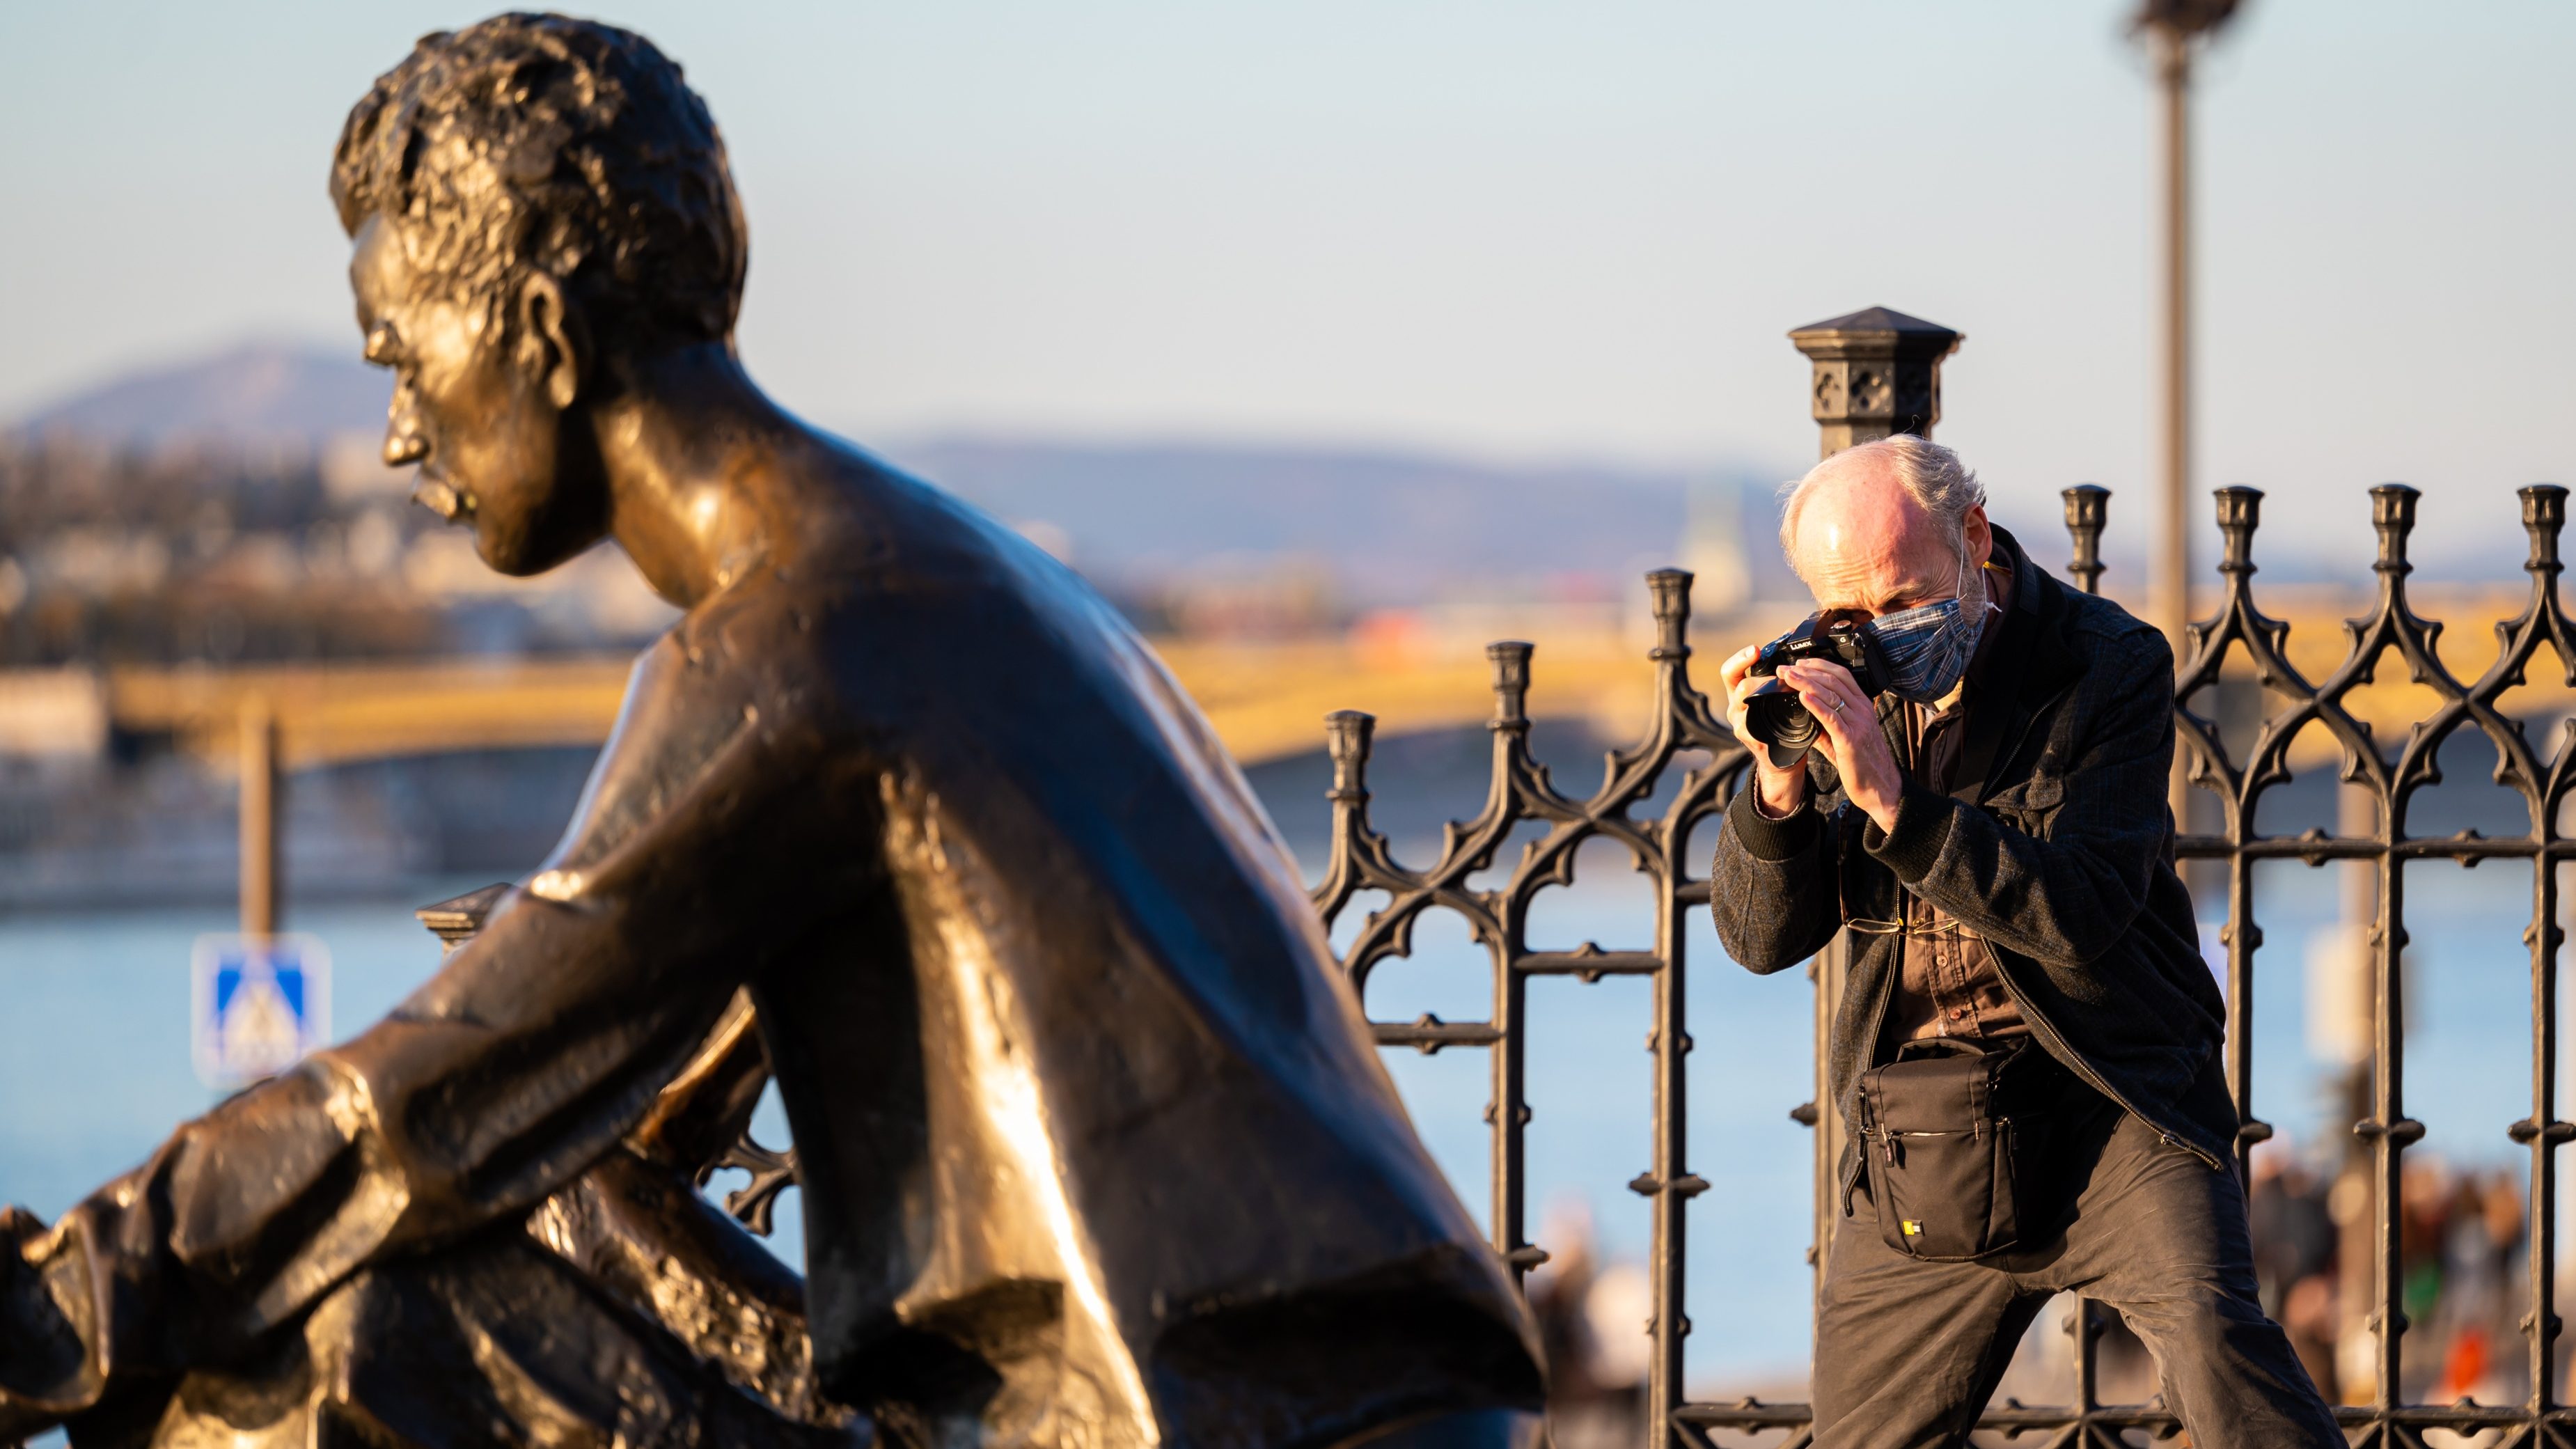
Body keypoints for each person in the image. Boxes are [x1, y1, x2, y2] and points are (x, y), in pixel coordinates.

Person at [0, 15, 1541, 1449]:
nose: (400, 434)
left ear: (540, 333)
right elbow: (591, 1112)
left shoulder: (801, 641)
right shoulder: (941, 578)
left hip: (1211, 1421)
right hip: (1286, 1399)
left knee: (317, 1356)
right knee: (399, 1277)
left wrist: (69, 1301)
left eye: (404, 361)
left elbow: (435, 1093)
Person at [1705, 434, 2341, 1448]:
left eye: (1903, 597)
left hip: (2111, 1100)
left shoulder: (2107, 666)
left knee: (2229, 1371)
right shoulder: (1836, 671)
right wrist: (1775, 790)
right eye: (1848, 611)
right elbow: (1756, 937)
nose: (1880, 631)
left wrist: (1896, 804)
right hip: (1926, 1131)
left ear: (1975, 535)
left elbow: (2081, 912)